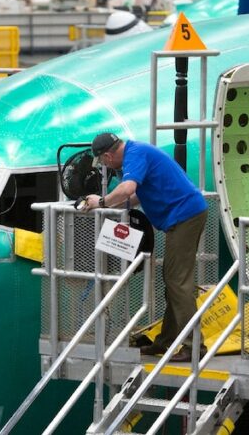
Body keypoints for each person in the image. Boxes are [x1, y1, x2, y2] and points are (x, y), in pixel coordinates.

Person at [82, 132, 208, 362]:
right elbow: (137, 195)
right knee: (172, 280)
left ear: (108, 157)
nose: (104, 165)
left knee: (178, 281)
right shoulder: (136, 152)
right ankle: (167, 341)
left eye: (102, 161)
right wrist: (106, 206)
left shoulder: (135, 154)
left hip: (185, 216)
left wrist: (100, 202)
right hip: (182, 217)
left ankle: (195, 346)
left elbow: (127, 189)